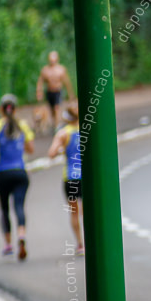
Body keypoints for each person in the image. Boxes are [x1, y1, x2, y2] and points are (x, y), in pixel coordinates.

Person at [0, 94, 35, 260]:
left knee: (4, 208)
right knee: (19, 206)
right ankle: (21, 235)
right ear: (15, 108)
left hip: (1, 172)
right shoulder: (22, 125)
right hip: (20, 172)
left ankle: (8, 245)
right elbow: (30, 149)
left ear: (0, 109)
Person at [48, 102, 84, 253]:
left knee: (74, 212)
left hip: (70, 177)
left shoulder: (63, 134)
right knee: (90, 211)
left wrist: (63, 148)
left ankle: (80, 244)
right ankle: (94, 240)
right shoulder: (87, 130)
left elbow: (51, 153)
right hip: (87, 177)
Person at [36, 51, 75, 132]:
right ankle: (54, 123)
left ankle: (57, 127)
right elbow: (40, 81)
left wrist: (70, 93)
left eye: (53, 59)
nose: (52, 61)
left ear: (57, 59)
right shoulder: (45, 70)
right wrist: (39, 92)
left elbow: (66, 81)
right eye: (50, 60)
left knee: (56, 108)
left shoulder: (61, 69)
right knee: (51, 109)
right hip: (49, 92)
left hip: (58, 91)